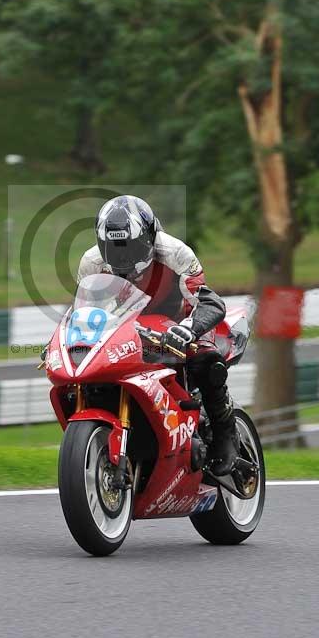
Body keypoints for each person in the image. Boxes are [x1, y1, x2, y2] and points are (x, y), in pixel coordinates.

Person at [77, 194, 240, 475]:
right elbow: (84, 312)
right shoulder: (91, 262)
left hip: (181, 322)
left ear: (148, 237)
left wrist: (188, 329)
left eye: (130, 247)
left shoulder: (176, 253)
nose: (122, 257)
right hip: (130, 327)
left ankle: (225, 430)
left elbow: (208, 302)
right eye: (113, 249)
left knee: (205, 361)